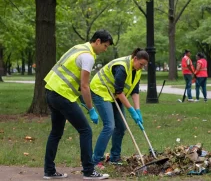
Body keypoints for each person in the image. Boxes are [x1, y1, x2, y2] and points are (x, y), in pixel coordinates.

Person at [43, 29, 113, 180]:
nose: (105, 49)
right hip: (63, 95)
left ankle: (49, 170)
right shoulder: (88, 57)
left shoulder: (77, 48)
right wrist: (91, 109)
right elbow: (85, 86)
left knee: (56, 133)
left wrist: (82, 100)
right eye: (105, 46)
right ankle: (89, 171)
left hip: (51, 91)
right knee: (86, 130)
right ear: (98, 41)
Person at [89, 48, 149, 168]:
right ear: (135, 59)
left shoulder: (137, 70)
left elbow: (135, 91)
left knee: (121, 126)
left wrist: (138, 110)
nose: (142, 67)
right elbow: (119, 91)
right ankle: (95, 160)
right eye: (141, 64)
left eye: (144, 66)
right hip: (101, 91)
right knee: (109, 126)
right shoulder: (122, 67)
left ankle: (114, 157)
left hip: (114, 95)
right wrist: (131, 110)